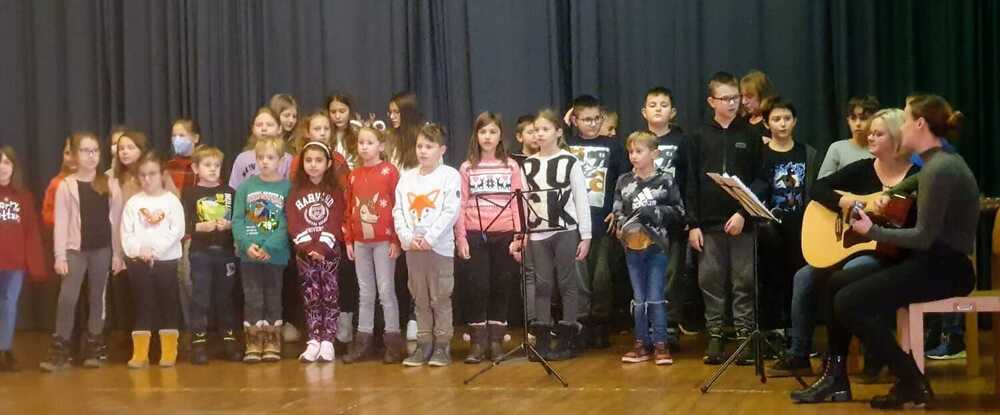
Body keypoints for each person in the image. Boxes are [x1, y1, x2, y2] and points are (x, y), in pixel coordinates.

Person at [792, 95, 978, 409]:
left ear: (920, 124)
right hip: (929, 262)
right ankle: (836, 376)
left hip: (946, 268)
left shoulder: (940, 167)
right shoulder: (938, 162)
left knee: (849, 302)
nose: (901, 127)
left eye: (906, 120)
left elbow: (923, 237)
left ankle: (910, 379)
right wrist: (891, 193)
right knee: (836, 283)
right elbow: (914, 182)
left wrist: (872, 231)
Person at [769, 108, 916, 379]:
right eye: (870, 132)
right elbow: (817, 188)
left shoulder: (915, 177)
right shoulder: (863, 169)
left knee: (852, 275)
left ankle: (872, 357)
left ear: (896, 138)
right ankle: (799, 354)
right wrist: (843, 201)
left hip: (888, 253)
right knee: (804, 277)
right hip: (848, 246)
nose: (869, 137)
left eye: (878, 134)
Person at [685, 72, 762, 365]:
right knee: (710, 280)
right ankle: (715, 335)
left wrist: (743, 213)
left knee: (744, 281)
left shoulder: (750, 135)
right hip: (708, 223)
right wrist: (693, 224)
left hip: (742, 222)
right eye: (725, 98)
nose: (732, 103)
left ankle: (744, 336)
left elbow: (760, 179)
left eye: (735, 98)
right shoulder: (697, 136)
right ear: (711, 101)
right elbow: (690, 182)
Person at [41, 133, 121, 371]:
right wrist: (60, 256)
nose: (91, 155)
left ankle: (94, 348)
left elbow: (116, 222)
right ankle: (60, 350)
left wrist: (117, 254)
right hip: (75, 251)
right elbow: (61, 223)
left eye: (95, 150)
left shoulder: (109, 183)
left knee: (97, 298)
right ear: (75, 155)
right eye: (86, 151)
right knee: (67, 298)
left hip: (101, 249)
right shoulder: (66, 186)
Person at [517, 109, 592, 361]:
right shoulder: (528, 165)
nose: (539, 134)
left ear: (558, 132)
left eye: (545, 129)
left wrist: (586, 235)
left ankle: (568, 336)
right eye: (536, 129)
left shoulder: (570, 161)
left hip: (565, 230)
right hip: (538, 233)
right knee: (542, 284)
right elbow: (524, 202)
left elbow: (581, 199)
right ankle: (542, 339)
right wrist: (523, 232)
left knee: (567, 282)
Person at [455, 112, 524, 363]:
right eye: (483, 131)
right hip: (476, 234)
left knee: (500, 286)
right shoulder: (467, 167)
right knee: (478, 286)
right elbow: (460, 204)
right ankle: (477, 342)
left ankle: (496, 341)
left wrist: (519, 235)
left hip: (505, 234)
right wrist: (461, 238)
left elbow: (518, 203)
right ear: (476, 135)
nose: (487, 137)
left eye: (493, 132)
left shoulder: (511, 166)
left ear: (500, 136)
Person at [612, 131, 685, 365]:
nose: (633, 156)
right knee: (639, 298)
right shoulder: (624, 180)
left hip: (656, 245)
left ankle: (661, 344)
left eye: (639, 151)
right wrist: (620, 224)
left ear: (654, 154)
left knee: (655, 296)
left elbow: (679, 211)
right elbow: (617, 210)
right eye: (631, 152)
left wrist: (654, 212)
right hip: (632, 246)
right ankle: (641, 343)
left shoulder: (665, 180)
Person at [393, 123, 462, 367]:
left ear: (441, 150)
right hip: (413, 248)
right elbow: (399, 210)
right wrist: (407, 237)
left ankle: (442, 344)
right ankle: (424, 344)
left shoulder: (450, 176)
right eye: (420, 146)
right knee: (419, 297)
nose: (422, 151)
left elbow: (450, 211)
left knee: (440, 296)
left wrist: (430, 238)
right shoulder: (407, 179)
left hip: (439, 248)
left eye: (429, 147)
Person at [565, 95, 629, 350]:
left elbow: (623, 180)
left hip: (603, 221)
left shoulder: (613, 146)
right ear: (575, 120)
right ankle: (581, 323)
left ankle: (601, 323)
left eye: (596, 119)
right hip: (574, 222)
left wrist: (618, 209)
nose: (592, 124)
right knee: (578, 276)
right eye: (586, 119)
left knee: (601, 276)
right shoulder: (566, 146)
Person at [342, 125, 404, 364]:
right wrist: (349, 239)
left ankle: (393, 343)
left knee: (386, 291)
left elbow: (398, 206)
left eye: (369, 143)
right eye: (361, 143)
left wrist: (396, 239)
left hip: (383, 241)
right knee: (365, 292)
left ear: (381, 145)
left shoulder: (389, 171)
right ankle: (363, 342)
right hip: (361, 242)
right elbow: (350, 208)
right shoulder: (354, 174)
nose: (364, 147)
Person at [120, 152, 186, 368]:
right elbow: (126, 234)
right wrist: (139, 250)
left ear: (162, 175)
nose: (147, 179)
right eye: (143, 175)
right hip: (139, 262)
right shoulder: (133, 203)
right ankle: (141, 353)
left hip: (166, 261)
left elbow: (177, 230)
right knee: (143, 305)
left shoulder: (171, 201)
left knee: (168, 304)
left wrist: (155, 250)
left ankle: (169, 351)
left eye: (152, 174)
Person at [232, 135, 292, 364]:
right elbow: (238, 219)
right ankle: (254, 341)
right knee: (253, 297)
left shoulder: (287, 187)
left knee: (273, 296)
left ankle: (272, 340)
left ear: (281, 160)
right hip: (249, 255)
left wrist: (269, 246)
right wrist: (246, 245)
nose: (264, 161)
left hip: (275, 255)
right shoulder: (246, 187)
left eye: (270, 157)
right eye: (260, 157)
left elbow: (287, 222)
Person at [287, 142, 347, 363]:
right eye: (309, 160)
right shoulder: (296, 192)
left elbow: (336, 220)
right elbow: (293, 222)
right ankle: (313, 339)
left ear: (328, 164)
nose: (313, 165)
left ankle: (328, 340)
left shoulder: (335, 191)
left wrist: (321, 248)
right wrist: (308, 248)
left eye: (318, 160)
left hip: (329, 253)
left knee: (329, 295)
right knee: (311, 296)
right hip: (305, 254)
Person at [182, 145, 241, 364]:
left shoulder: (230, 192)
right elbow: (183, 223)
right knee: (201, 297)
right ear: (195, 168)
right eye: (207, 165)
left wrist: (230, 225)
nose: (213, 169)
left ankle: (229, 340)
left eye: (217, 165)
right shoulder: (189, 193)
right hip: (200, 253)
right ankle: (198, 341)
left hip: (225, 253)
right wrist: (199, 227)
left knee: (225, 297)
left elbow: (239, 221)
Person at [0, 146, 46, 372]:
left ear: (14, 167)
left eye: (7, 162)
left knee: (9, 305)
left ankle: (5, 349)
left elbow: (31, 232)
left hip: (14, 263)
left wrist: (34, 264)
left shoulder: (24, 197)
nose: (2, 167)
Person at [229, 108, 293, 190]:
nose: (264, 129)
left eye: (269, 125)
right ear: (253, 129)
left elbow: (291, 190)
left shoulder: (287, 159)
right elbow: (234, 189)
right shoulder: (242, 158)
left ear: (279, 129)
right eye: (259, 125)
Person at [818, 96, 879, 178]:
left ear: (874, 120)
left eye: (863, 118)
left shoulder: (881, 149)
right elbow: (822, 182)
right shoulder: (837, 148)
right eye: (853, 118)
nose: (857, 123)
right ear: (848, 121)